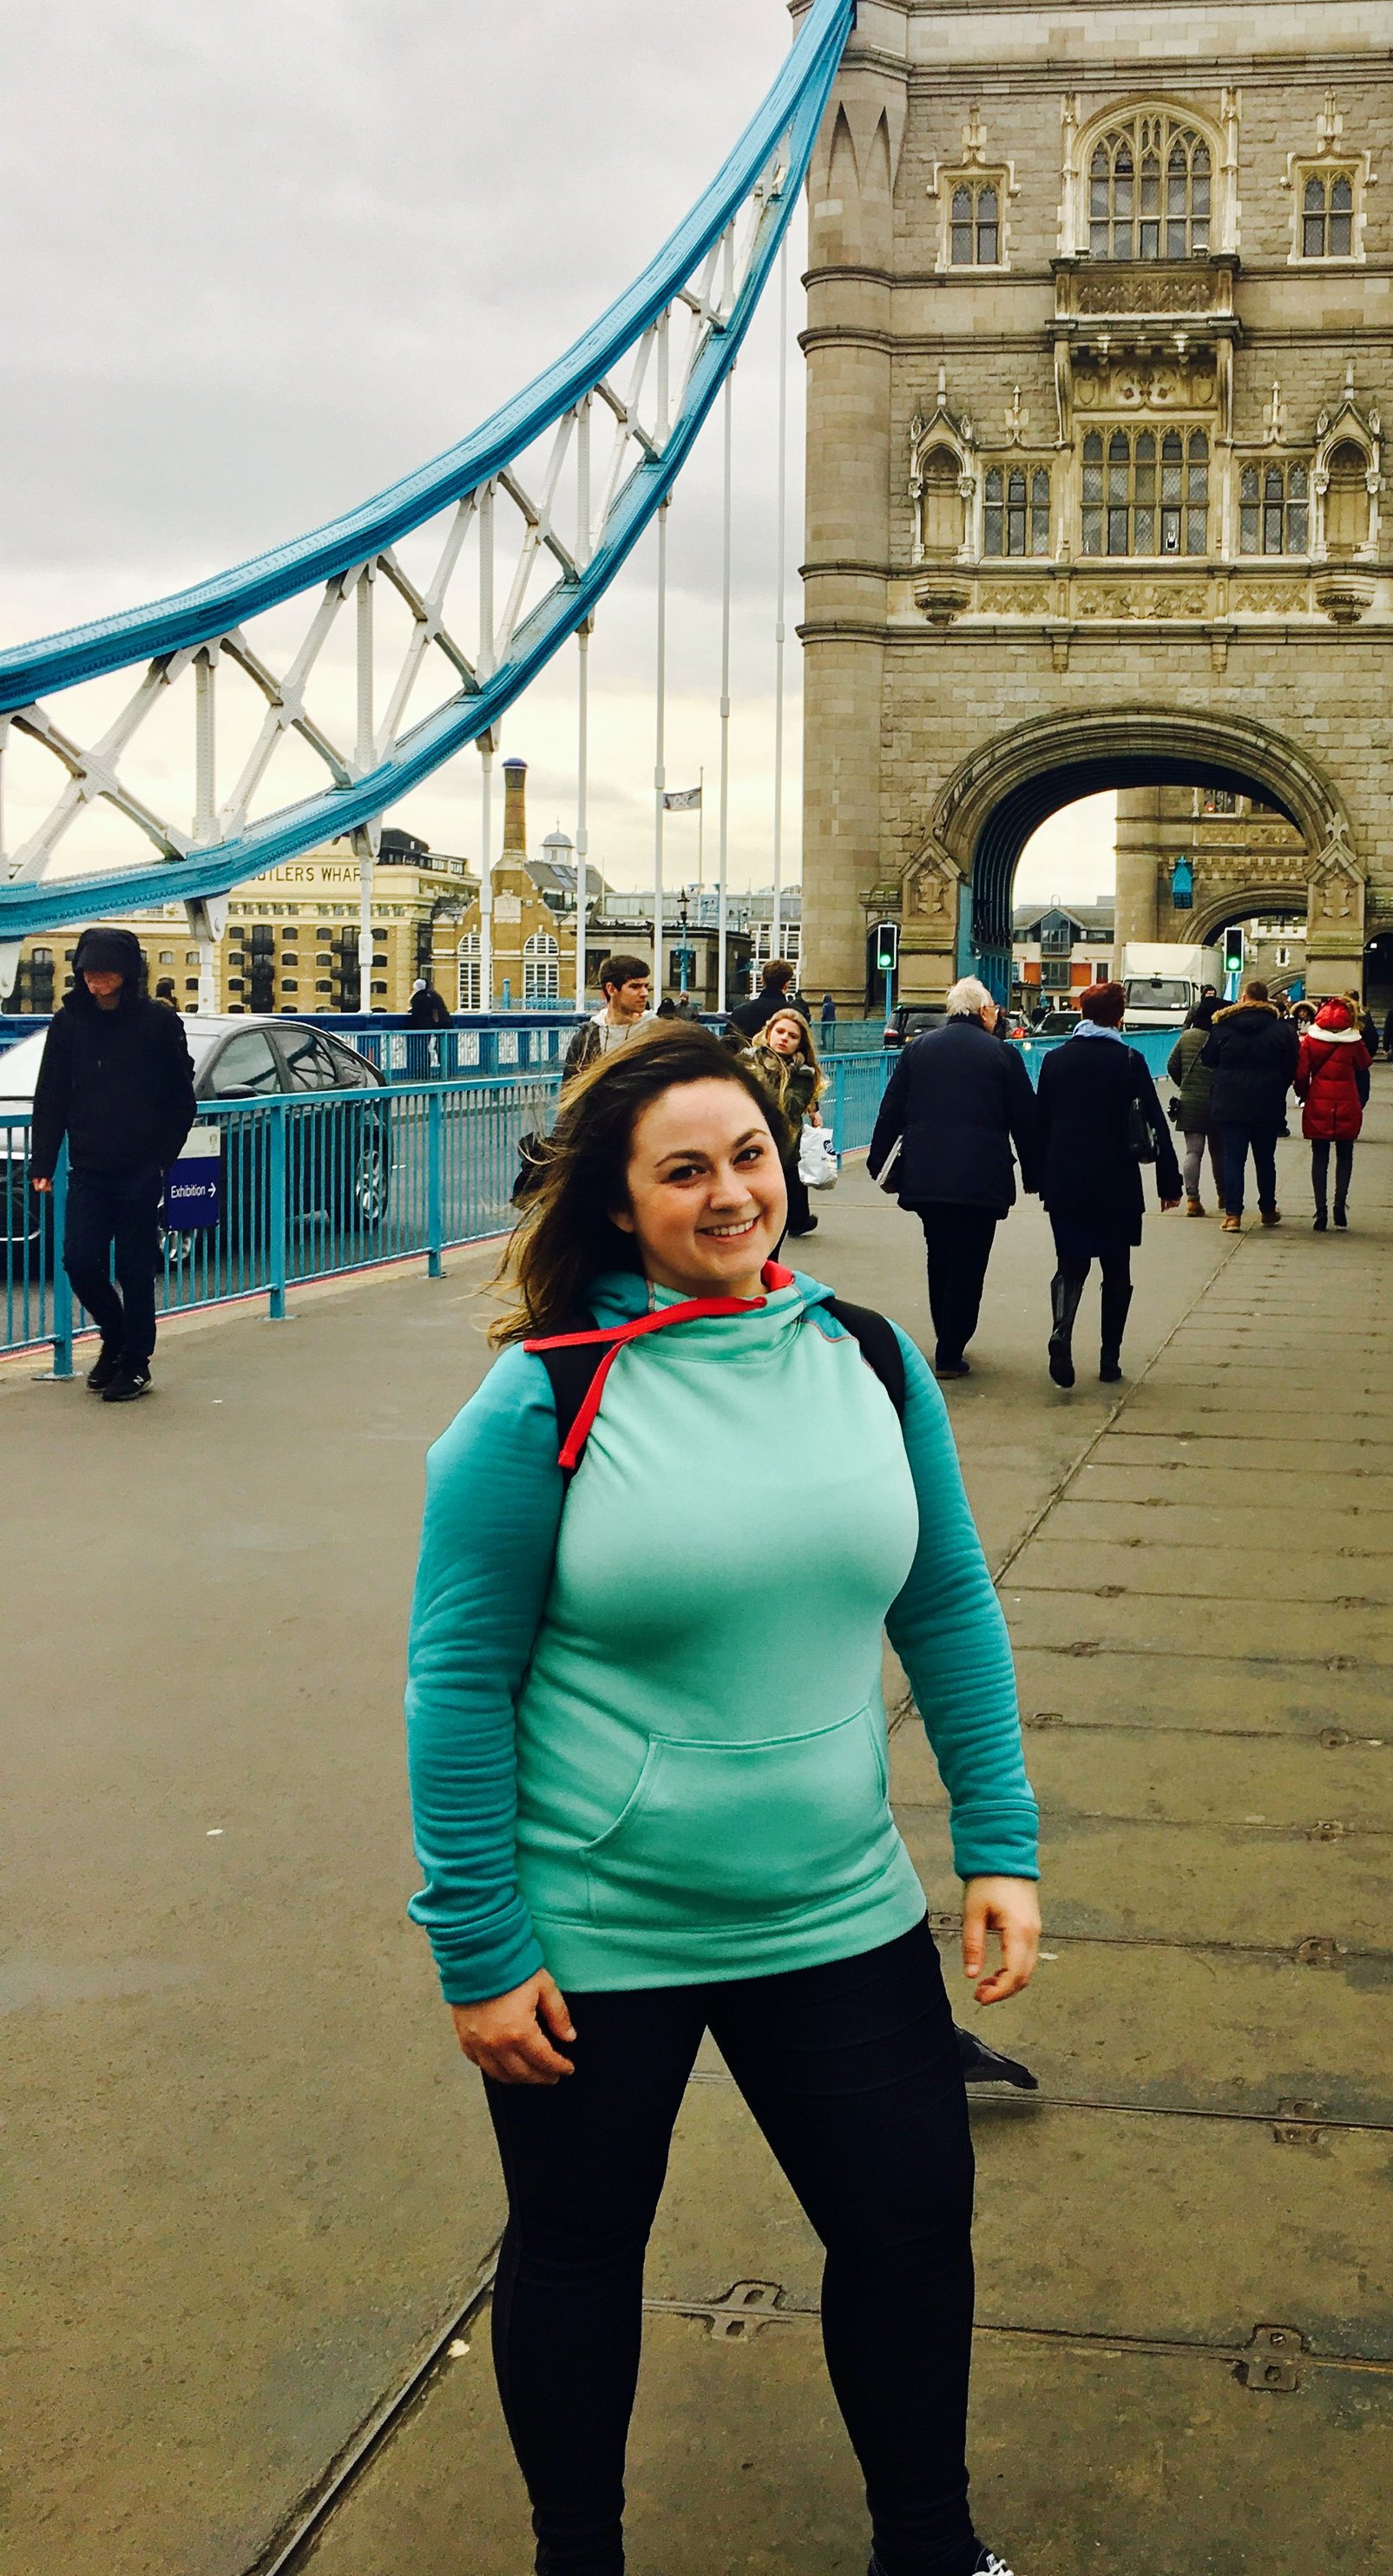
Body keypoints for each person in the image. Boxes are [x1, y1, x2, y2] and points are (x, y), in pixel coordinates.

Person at [405, 1024, 1039, 2576]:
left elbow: (947, 1603)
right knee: (576, 2251)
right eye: (683, 1170)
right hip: (600, 1921)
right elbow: (454, 1684)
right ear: (620, 1205)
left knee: (909, 2231)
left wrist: (999, 1845)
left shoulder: (870, 1359)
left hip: (836, 1898)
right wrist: (476, 1945)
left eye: (748, 1154)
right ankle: (580, 2556)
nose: (729, 1191)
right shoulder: (540, 1400)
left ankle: (931, 2544)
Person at [28, 925, 197, 1403]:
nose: (96, 982)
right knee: (79, 1261)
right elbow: (51, 1096)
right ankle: (116, 1335)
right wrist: (43, 1159)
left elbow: (181, 1101)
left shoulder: (158, 1023)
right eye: (88, 974)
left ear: (127, 975)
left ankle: (136, 1364)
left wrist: (161, 1161)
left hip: (141, 1168)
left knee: (135, 1268)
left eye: (106, 974)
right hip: (89, 1167)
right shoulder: (68, 1024)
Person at [866, 978, 1039, 1379]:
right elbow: (1025, 1119)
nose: (996, 1016)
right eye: (994, 1009)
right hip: (982, 1177)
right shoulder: (1002, 1055)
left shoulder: (918, 1050)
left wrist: (879, 1164)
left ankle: (945, 1334)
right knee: (970, 1260)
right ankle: (951, 1346)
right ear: (983, 1012)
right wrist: (1035, 1173)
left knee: (938, 1254)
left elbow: (891, 1109)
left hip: (926, 1174)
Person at [1034, 982, 1181, 1388]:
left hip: (1066, 1180)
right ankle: (1109, 1360)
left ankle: (1061, 1331)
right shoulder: (1130, 1060)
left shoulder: (1054, 1061)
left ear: (1082, 1013)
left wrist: (1038, 1177)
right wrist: (1169, 1180)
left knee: (1071, 1264)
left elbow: (1040, 1123)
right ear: (1119, 1017)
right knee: (1117, 1270)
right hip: (1116, 1181)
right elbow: (1155, 1121)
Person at [1201, 978, 1298, 1233]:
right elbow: (1292, 1065)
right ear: (1266, 1000)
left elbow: (1208, 1059)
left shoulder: (1222, 1028)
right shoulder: (1281, 1030)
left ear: (1244, 998)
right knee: (1265, 1159)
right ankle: (1267, 1209)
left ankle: (1233, 1215)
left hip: (1231, 1102)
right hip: (1268, 1103)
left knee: (1234, 1159)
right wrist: (1278, 1085)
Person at [745, 1002, 826, 1239]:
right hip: (742, 1150)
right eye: (780, 1032)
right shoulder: (746, 1060)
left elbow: (786, 1109)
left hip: (781, 1153)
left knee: (772, 1232)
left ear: (800, 1043)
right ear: (769, 1032)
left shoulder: (802, 1074)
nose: (784, 1039)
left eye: (792, 1036)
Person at [1295, 997, 1373, 1230]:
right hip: (1347, 1101)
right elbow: (1364, 1063)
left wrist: (1304, 1094)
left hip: (1318, 1101)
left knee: (1319, 1158)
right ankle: (1340, 1204)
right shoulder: (1353, 1040)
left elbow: (1300, 1074)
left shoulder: (1311, 1040)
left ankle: (1320, 1211)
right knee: (1345, 1155)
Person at [1162, 996, 1222, 1216]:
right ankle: (1223, 1195)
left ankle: (1192, 1200)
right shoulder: (1221, 1037)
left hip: (1190, 1102)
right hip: (1217, 1101)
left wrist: (1185, 1085)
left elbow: (1171, 1064)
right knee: (1219, 1152)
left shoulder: (1187, 1037)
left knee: (1193, 1151)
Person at [561, 958, 658, 1085]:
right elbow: (569, 1089)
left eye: (646, 987)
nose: (644, 993)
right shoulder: (586, 1037)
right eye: (635, 986)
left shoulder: (655, 1032)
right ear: (611, 989)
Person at [727, 956, 801, 1042]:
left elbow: (728, 1046)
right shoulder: (796, 1016)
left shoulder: (740, 1012)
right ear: (787, 985)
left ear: (762, 980)